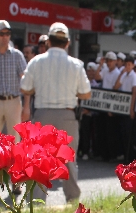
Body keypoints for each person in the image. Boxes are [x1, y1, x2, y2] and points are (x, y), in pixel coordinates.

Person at [20, 22, 91, 203]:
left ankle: (36, 203)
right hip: (67, 115)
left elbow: (25, 88)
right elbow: (86, 93)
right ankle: (73, 200)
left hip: (43, 115)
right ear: (67, 43)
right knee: (69, 160)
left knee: (39, 160)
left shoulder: (36, 61)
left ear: (49, 41)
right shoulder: (76, 64)